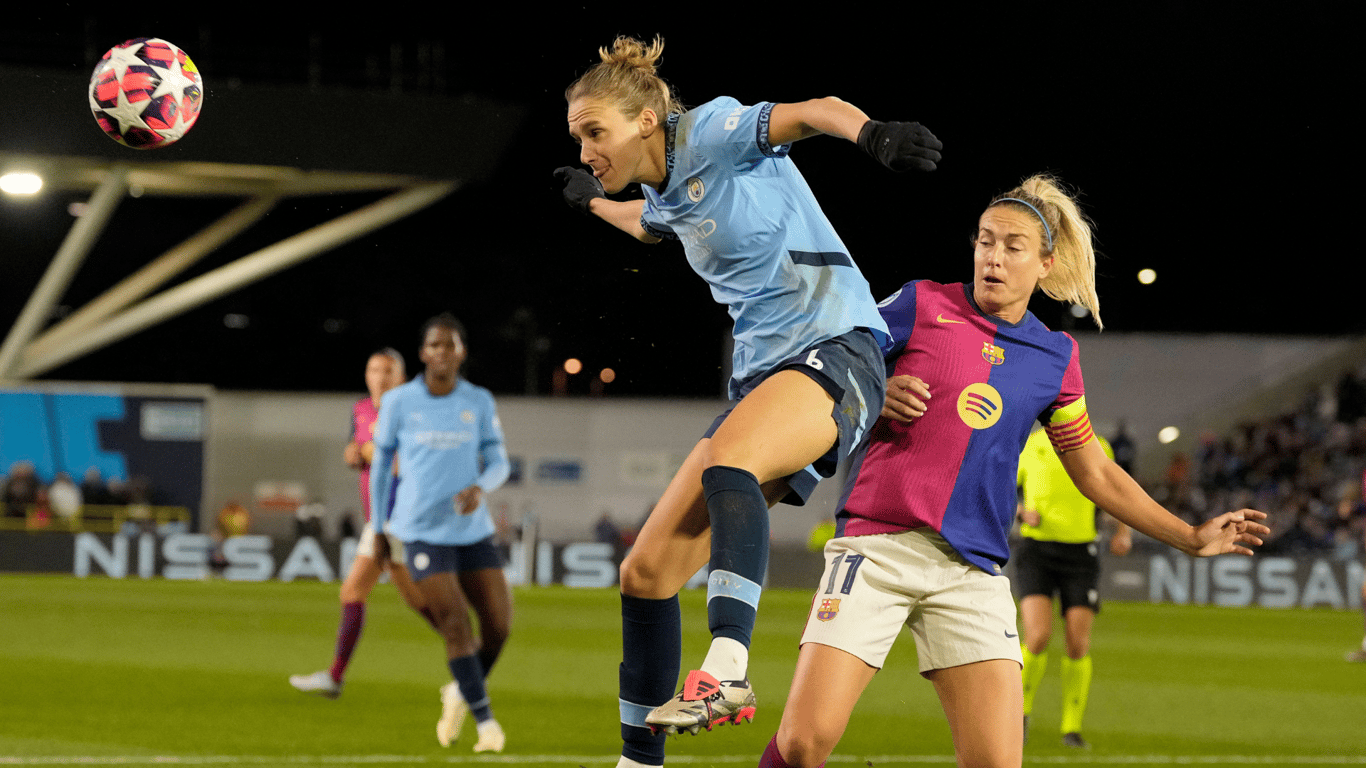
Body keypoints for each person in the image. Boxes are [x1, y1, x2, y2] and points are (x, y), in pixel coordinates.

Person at [758, 175, 1270, 768]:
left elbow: (1096, 474)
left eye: (1012, 246)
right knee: (801, 744)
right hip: (877, 551)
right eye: (984, 241)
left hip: (971, 571)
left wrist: (1188, 536)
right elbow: (823, 365)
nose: (993, 257)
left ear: (1045, 264)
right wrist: (873, 386)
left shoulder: (1056, 358)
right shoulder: (920, 304)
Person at [553, 35, 942, 768]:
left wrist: (873, 135)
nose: (585, 153)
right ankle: (638, 763)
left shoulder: (715, 130)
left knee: (728, 459)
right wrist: (593, 206)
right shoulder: (662, 187)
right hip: (766, 382)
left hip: (837, 348)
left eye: (593, 134)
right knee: (645, 574)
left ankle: (727, 667)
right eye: (577, 139)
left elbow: (817, 111)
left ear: (643, 121)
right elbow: (651, 225)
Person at [370, 313, 513, 754]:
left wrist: (480, 487)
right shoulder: (399, 402)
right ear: (423, 353)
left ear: (461, 352)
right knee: (455, 625)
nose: (441, 353)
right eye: (433, 345)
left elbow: (499, 463)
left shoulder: (479, 401)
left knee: (499, 628)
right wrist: (379, 527)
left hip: (472, 530)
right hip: (420, 530)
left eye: (449, 345)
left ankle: (460, 691)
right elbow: (380, 468)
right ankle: (486, 723)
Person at [290, 348, 434, 700]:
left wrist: (370, 452)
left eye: (388, 371)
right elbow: (358, 447)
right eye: (374, 369)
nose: (380, 377)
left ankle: (469, 656)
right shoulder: (361, 409)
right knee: (408, 599)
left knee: (364, 593)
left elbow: (409, 463)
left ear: (401, 377)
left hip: (403, 517)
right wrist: (353, 454)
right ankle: (470, 656)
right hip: (379, 519)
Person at [1015, 428, 1130, 749]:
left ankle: (1071, 728)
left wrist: (1123, 531)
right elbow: (1000, 485)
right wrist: (1021, 512)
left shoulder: (1097, 444)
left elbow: (1116, 488)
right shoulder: (1030, 443)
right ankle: (1019, 714)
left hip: (1080, 555)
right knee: (1037, 636)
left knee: (1077, 644)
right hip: (1037, 550)